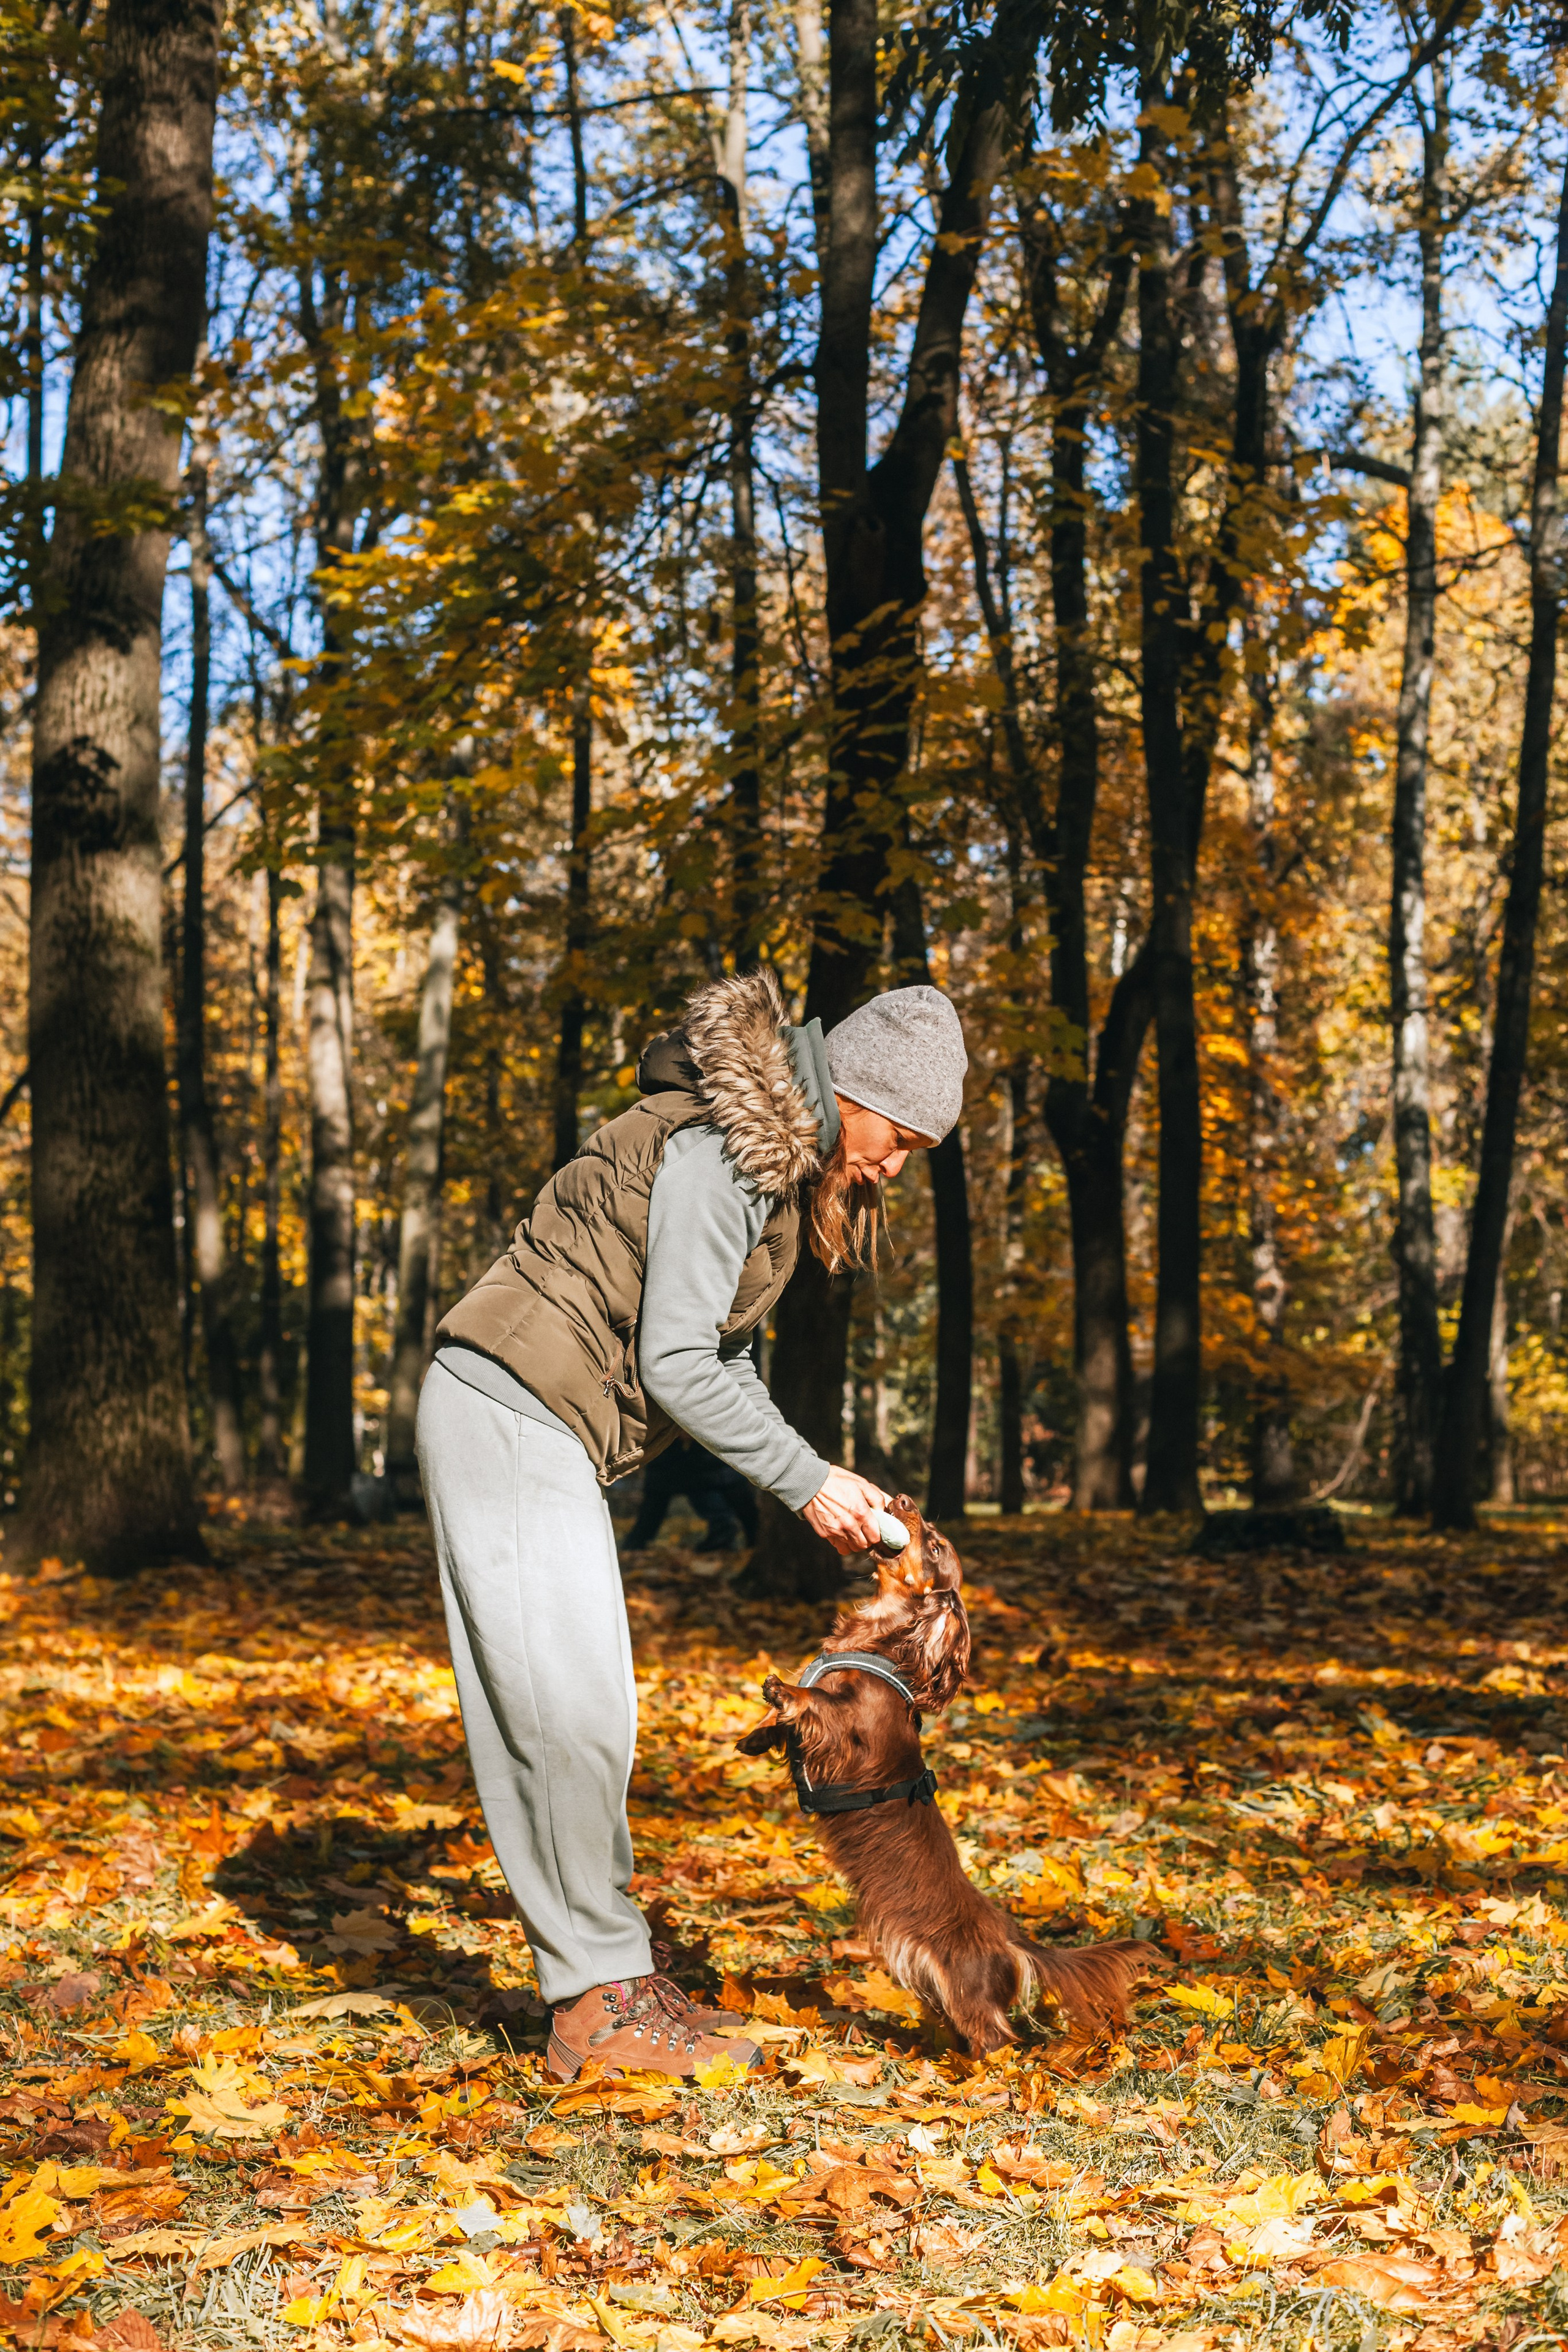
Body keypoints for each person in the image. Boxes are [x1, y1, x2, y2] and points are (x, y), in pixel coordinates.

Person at [415, 968, 967, 2081]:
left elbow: (720, 1364)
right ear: (849, 1089)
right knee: (567, 1720)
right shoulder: (727, 1154)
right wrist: (804, 1481)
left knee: (588, 1717)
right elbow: (672, 1364)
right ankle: (594, 2004)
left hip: (540, 1422)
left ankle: (611, 1980)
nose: (895, 1166)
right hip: (509, 1409)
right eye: (898, 1136)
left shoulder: (762, 1162)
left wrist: (818, 1478)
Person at [623, 1434, 759, 1553]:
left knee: (725, 1485)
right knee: (660, 1491)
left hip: (700, 1439)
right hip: (682, 1441)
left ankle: (733, 1532)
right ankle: (635, 1544)